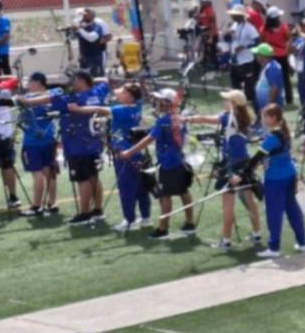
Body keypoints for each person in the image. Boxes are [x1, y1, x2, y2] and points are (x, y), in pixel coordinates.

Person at [21, 69, 105, 224]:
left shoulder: (73, 99)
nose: (71, 83)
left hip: (78, 145)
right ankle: (98, 210)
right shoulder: (97, 92)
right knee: (94, 176)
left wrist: (26, 101)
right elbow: (106, 81)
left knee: (83, 179)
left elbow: (47, 100)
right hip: (94, 144)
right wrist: (91, 80)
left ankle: (85, 213)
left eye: (74, 80)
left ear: (81, 81)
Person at [186, 90, 262, 251]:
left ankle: (226, 241)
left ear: (234, 104)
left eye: (227, 100)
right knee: (249, 201)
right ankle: (257, 234)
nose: (223, 101)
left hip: (230, 165)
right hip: (244, 163)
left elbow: (207, 119)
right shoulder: (243, 116)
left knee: (228, 205)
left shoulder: (228, 117)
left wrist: (188, 118)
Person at [70, 82, 149, 232]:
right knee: (140, 186)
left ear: (129, 96)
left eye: (122, 91)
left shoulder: (120, 110)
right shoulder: (137, 106)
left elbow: (99, 109)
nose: (118, 92)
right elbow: (137, 94)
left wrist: (77, 109)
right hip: (137, 152)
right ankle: (145, 217)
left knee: (126, 188)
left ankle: (129, 221)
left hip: (123, 154)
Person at [119, 89, 196, 240]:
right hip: (178, 159)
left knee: (165, 195)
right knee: (182, 191)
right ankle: (190, 222)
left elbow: (149, 139)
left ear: (168, 103)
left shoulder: (164, 121)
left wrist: (129, 152)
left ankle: (163, 227)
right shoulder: (177, 118)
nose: (158, 103)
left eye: (161, 101)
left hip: (168, 162)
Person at [236, 103, 305, 259]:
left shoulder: (273, 138)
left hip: (275, 180)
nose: (262, 119)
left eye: (265, 116)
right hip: (289, 176)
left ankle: (274, 248)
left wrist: (241, 175)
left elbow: (255, 159)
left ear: (273, 118)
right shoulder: (284, 133)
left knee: (274, 213)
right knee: (292, 210)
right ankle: (302, 243)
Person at [16, 73, 59, 217]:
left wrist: (21, 99)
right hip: (49, 139)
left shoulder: (27, 98)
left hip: (32, 141)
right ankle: (52, 203)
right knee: (50, 172)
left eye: (30, 82)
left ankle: (36, 206)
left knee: (38, 173)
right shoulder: (53, 93)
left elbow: (21, 107)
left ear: (38, 82)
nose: (28, 85)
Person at [223, 5, 261, 105]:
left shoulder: (249, 27)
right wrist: (227, 34)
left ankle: (252, 108)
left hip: (246, 61)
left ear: (241, 15)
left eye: (234, 15)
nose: (232, 17)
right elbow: (229, 39)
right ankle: (239, 106)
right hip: (234, 61)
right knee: (235, 87)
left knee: (249, 89)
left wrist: (244, 46)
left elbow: (257, 42)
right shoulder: (234, 25)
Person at [0, 71, 19, 212]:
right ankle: (13, 196)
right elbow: (15, 79)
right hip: (5, 133)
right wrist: (0, 78)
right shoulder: (4, 88)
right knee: (8, 166)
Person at [260, 7, 293, 105]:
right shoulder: (283, 27)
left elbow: (261, 40)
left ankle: (274, 98)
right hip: (282, 56)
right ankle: (289, 99)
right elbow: (288, 38)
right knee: (285, 78)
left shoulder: (264, 29)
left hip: (270, 56)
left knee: (272, 79)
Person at [73, 8, 112, 77]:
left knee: (98, 76)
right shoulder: (80, 25)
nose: (83, 17)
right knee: (85, 77)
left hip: (97, 55)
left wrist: (79, 29)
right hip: (84, 56)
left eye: (86, 15)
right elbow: (74, 36)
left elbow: (93, 38)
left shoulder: (98, 24)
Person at [252, 43, 284, 113]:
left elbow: (274, 88)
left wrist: (269, 106)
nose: (256, 57)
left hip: (270, 108)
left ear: (262, 56)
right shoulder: (267, 66)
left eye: (257, 54)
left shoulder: (272, 68)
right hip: (265, 106)